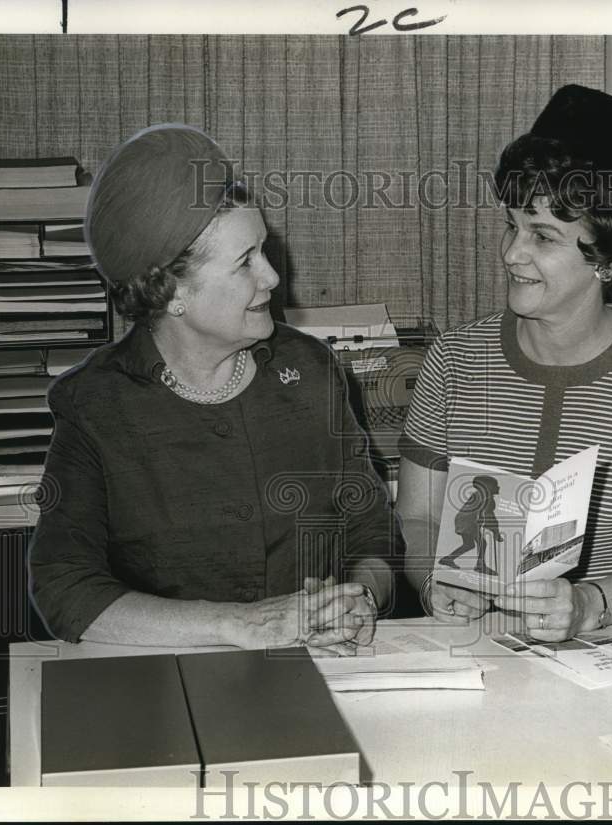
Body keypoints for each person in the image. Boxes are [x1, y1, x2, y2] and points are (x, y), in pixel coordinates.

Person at [28, 124, 403, 651]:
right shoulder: (96, 405)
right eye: (245, 262)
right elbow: (64, 588)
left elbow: (372, 530)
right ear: (171, 291)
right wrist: (239, 623)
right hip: (168, 683)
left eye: (264, 251)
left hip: (324, 664)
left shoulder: (310, 370)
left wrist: (359, 595)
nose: (271, 277)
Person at [397, 85, 612, 642]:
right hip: (470, 654)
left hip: (608, 655)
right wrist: (435, 581)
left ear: (609, 259)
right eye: (512, 225)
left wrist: (588, 604)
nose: (511, 253)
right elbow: (418, 517)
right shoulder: (454, 359)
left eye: (543, 236)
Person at [438, 475, 504, 576]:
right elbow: (487, 516)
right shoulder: (487, 498)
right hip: (469, 522)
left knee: (469, 544)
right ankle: (480, 566)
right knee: (482, 543)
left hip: (464, 519)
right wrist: (495, 532)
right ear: (487, 487)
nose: (498, 487)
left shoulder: (480, 495)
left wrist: (495, 531)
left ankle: (447, 559)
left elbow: (490, 517)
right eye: (495, 485)